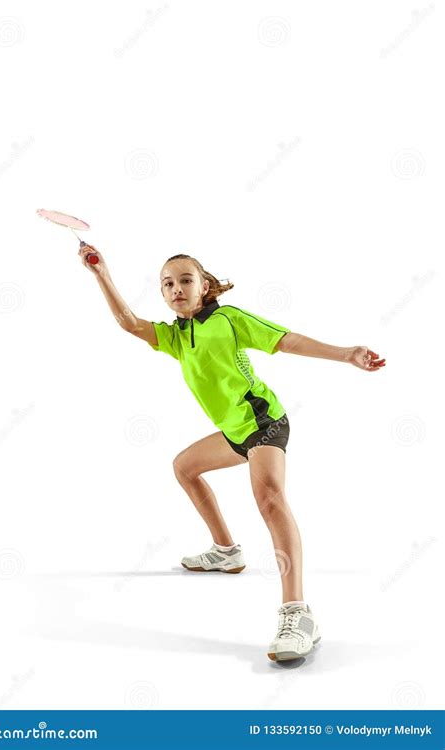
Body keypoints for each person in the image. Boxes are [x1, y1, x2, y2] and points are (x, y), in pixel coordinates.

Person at [79, 244, 386, 662]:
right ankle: (226, 550)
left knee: (270, 501)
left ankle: (298, 613)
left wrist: (346, 353)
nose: (176, 288)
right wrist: (100, 273)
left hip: (265, 423)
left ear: (204, 286)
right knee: (185, 468)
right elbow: (129, 323)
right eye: (167, 283)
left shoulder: (228, 319)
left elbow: (287, 340)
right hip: (235, 432)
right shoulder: (176, 337)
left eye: (186, 280)